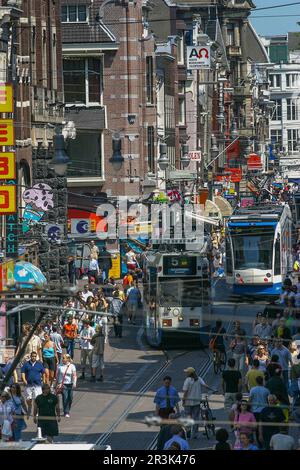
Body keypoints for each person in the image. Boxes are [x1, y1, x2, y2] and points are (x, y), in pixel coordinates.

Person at [182, 367, 215, 439]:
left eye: (187, 372)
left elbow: (185, 392)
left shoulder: (187, 381)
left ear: (189, 373)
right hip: (197, 402)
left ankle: (188, 432)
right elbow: (205, 385)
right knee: (195, 418)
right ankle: (195, 434)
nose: (186, 373)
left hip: (188, 402)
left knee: (188, 417)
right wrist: (213, 390)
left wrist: (183, 401)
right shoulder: (199, 379)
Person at [21, 351, 45, 419]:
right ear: (30, 356)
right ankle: (29, 407)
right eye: (32, 356)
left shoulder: (39, 364)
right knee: (28, 399)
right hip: (28, 384)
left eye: (35, 356)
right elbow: (23, 372)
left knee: (37, 399)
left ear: (36, 357)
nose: (33, 357)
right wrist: (24, 380)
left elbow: (43, 373)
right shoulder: (26, 364)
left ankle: (36, 412)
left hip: (37, 384)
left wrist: (43, 380)